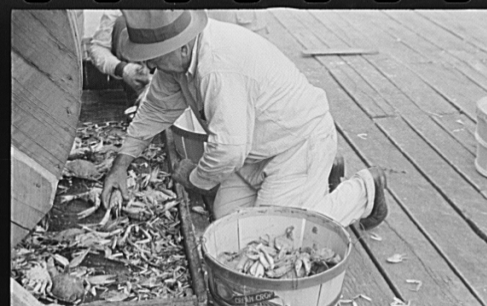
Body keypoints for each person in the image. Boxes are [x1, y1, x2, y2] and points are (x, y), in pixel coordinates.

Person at [101, 10, 388, 231]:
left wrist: (195, 177)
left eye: (154, 57)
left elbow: (228, 150)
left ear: (182, 48)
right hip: (259, 149)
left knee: (274, 236)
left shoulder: (217, 67)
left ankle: (364, 190)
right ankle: (320, 179)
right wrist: (121, 164)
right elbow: (153, 111)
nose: (149, 65)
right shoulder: (177, 62)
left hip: (297, 145)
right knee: (227, 223)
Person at [88, 10, 265, 107]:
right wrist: (122, 69)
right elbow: (96, 47)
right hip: (137, 78)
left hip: (187, 77)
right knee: (121, 24)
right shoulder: (118, 10)